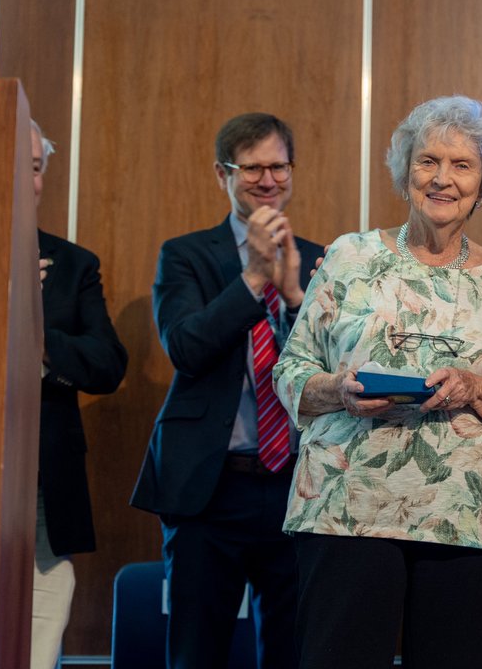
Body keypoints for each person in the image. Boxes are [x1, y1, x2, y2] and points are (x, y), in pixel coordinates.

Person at [274, 95, 482, 669]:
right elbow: (290, 371)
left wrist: (473, 386)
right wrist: (338, 389)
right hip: (346, 507)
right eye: (427, 161)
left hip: (469, 517)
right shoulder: (347, 257)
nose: (442, 178)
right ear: (404, 171)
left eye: (462, 165)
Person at [130, 112, 325, 669]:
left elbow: (330, 367)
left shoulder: (321, 259)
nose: (268, 180)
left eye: (279, 166)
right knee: (197, 649)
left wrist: (290, 295)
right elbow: (186, 348)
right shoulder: (186, 255)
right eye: (253, 168)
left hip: (295, 484)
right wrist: (255, 278)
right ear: (223, 174)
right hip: (208, 488)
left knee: (292, 647)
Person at [30, 121, 128, 669]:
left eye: (37, 167)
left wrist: (40, 339)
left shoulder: (70, 264)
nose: (29, 179)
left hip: (44, 476)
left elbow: (107, 365)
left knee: (43, 614)